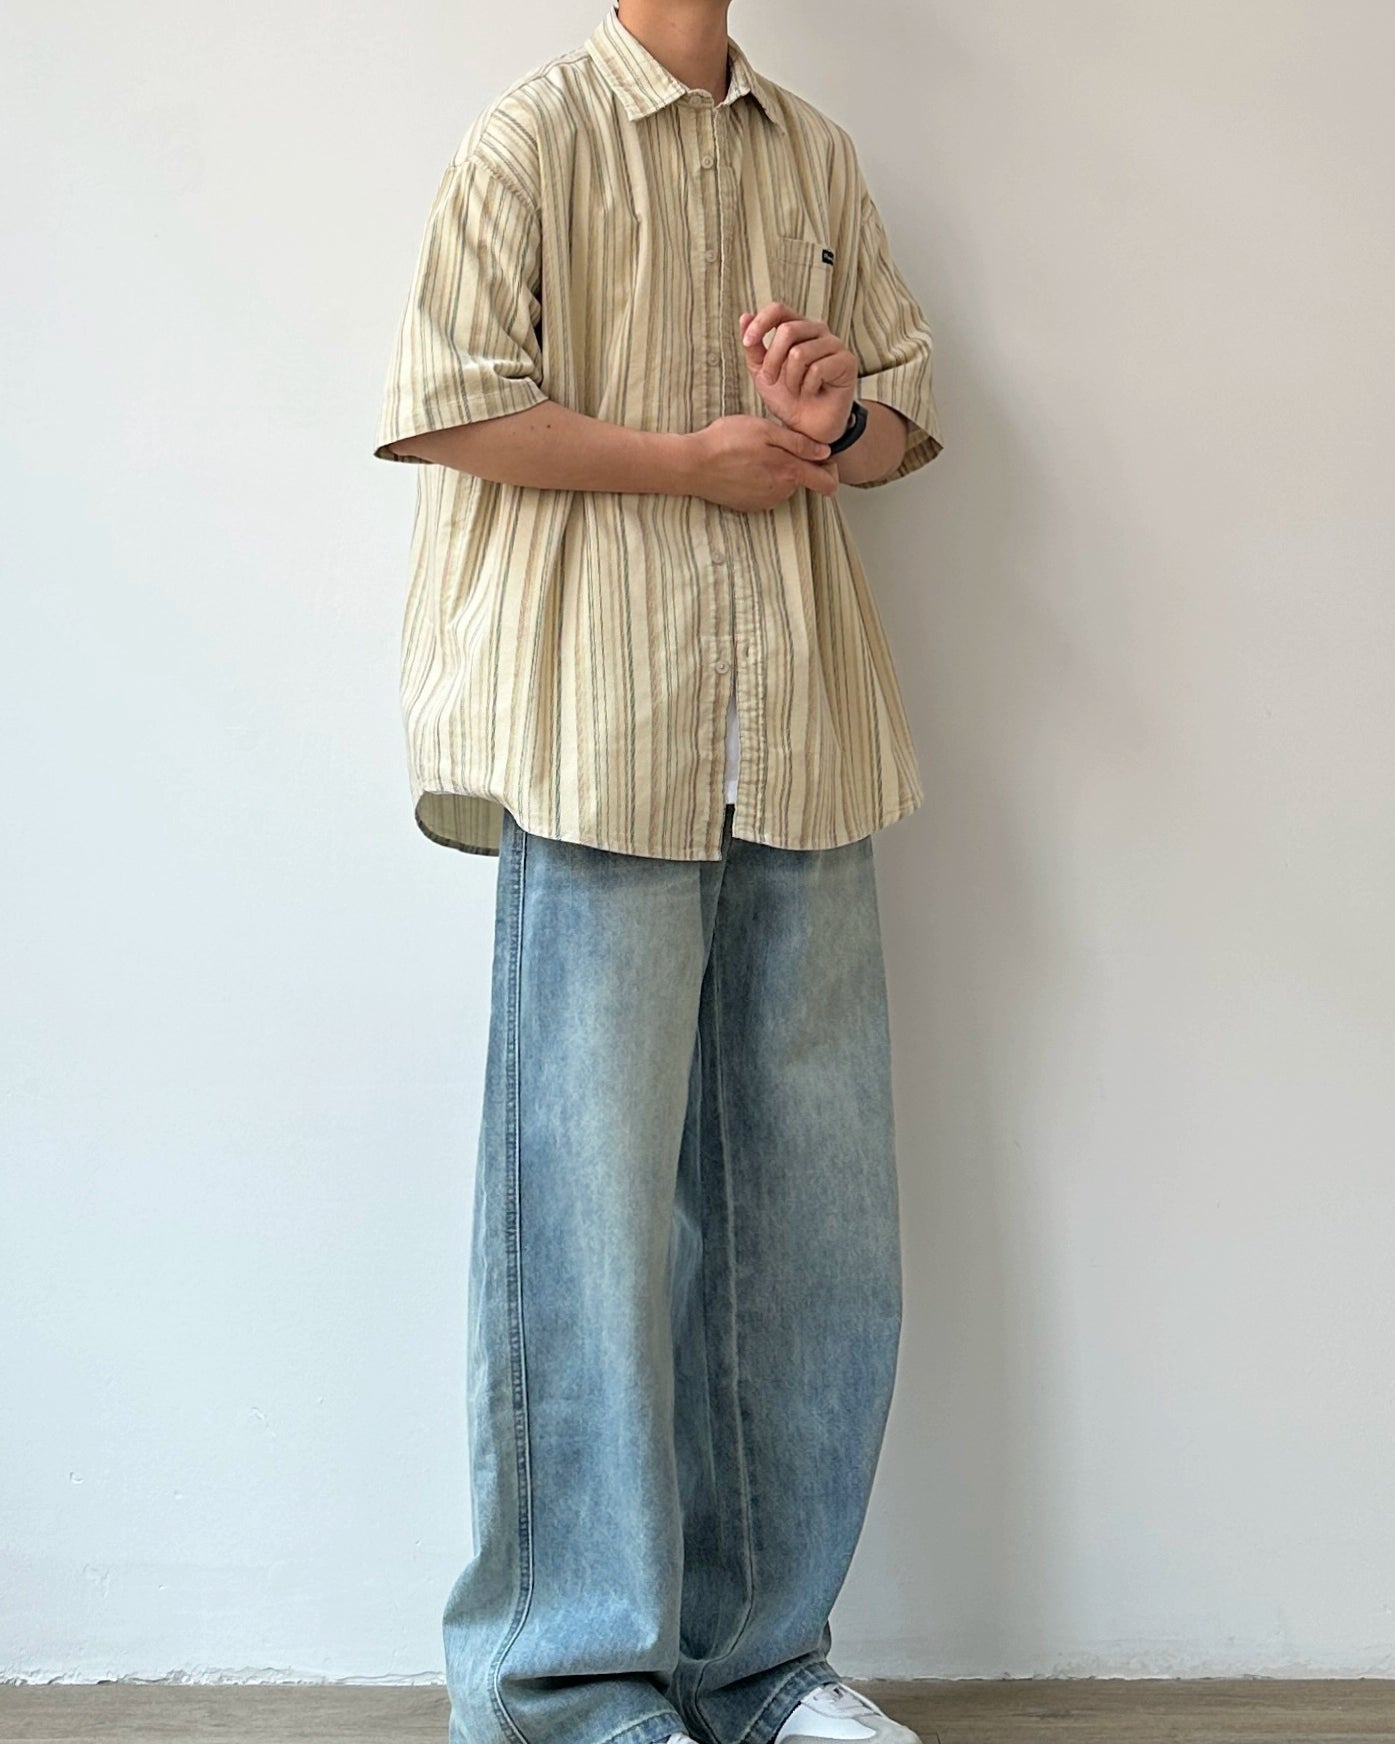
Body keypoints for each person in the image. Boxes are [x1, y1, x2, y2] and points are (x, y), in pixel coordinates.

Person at [371, 6, 944, 1744]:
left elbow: (903, 418)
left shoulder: (815, 154)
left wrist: (833, 423)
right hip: (600, 732)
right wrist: (690, 462)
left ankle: (766, 1669)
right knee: (584, 1228)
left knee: (813, 1232)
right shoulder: (529, 140)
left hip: (803, 730)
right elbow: (447, 406)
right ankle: (565, 1687)